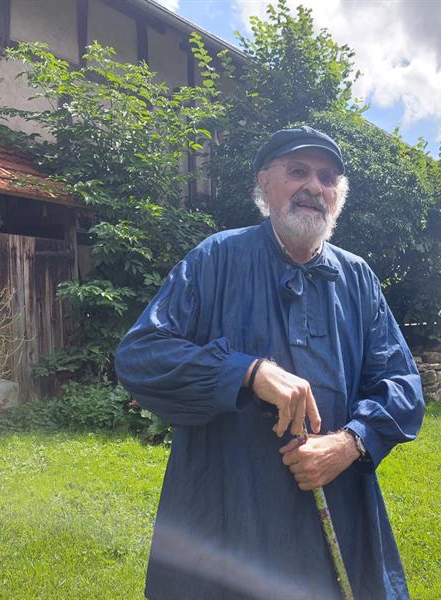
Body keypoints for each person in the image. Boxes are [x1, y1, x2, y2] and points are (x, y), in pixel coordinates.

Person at [115, 126, 425, 600]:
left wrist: (350, 444)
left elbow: (403, 385)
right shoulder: (216, 258)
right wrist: (247, 372)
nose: (314, 187)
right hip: (232, 506)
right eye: (298, 171)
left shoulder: (357, 277)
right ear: (264, 184)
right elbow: (141, 356)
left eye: (327, 177)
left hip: (337, 502)